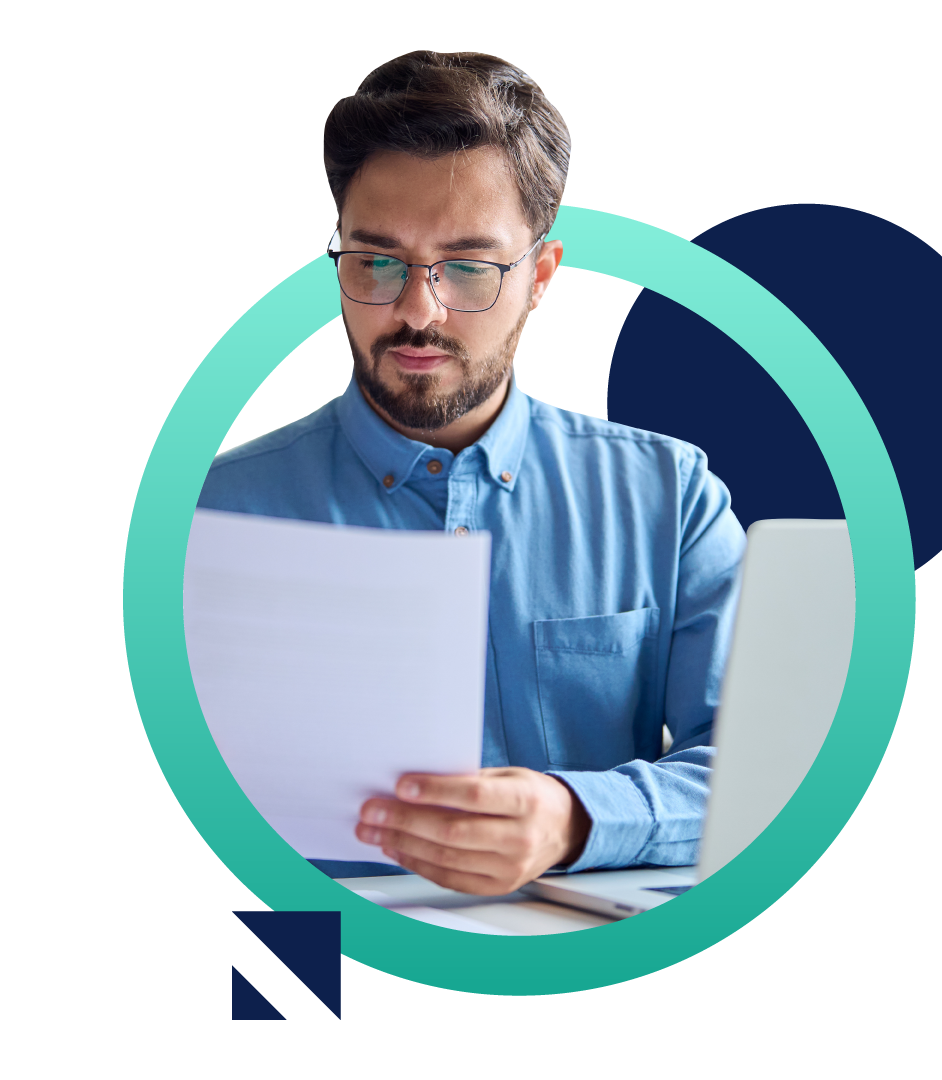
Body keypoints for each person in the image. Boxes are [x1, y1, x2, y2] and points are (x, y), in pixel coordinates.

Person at [197, 50, 746, 897]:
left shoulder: (672, 498)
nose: (418, 310)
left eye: (467, 267)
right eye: (376, 261)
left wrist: (577, 817)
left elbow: (764, 768)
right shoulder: (207, 514)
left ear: (539, 277)